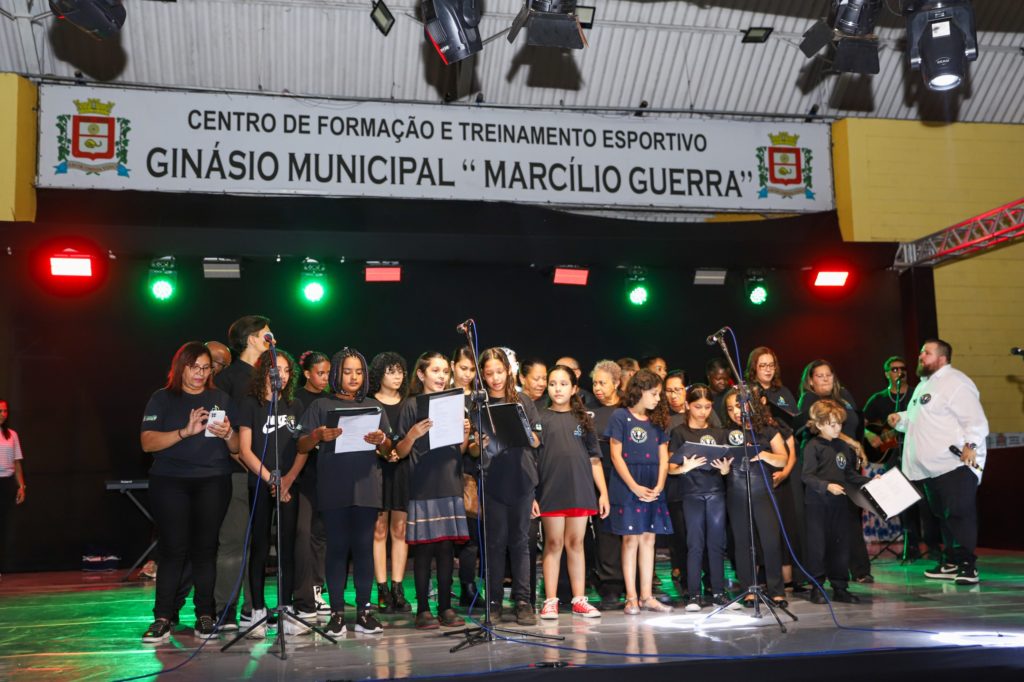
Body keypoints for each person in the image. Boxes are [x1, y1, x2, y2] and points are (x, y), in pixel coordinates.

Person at [140, 342, 239, 643]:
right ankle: (162, 617)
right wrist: (185, 431)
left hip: (213, 481)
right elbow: (147, 442)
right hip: (170, 481)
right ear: (181, 367)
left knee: (206, 550)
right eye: (194, 367)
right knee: (172, 549)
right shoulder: (162, 398)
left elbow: (236, 447)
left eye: (206, 368)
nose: (200, 373)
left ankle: (205, 614)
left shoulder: (220, 398)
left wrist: (229, 434)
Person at [297, 348, 392, 635]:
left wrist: (382, 440)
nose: (354, 377)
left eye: (359, 372)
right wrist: (317, 435)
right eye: (347, 371)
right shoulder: (321, 405)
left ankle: (363, 612)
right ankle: (337, 613)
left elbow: (388, 449)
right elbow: (301, 445)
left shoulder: (374, 406)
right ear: (336, 373)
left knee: (363, 549)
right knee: (337, 548)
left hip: (366, 487)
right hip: (334, 486)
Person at [888, 339, 989, 585]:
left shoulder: (955, 382)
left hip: (954, 463)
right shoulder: (926, 385)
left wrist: (971, 445)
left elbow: (975, 419)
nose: (921, 356)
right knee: (943, 516)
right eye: (921, 352)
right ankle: (952, 561)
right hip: (930, 469)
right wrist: (900, 419)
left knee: (958, 514)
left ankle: (967, 565)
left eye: (927, 352)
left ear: (942, 358)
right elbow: (922, 420)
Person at [395, 352, 472, 629]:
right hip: (423, 483)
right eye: (435, 371)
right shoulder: (411, 405)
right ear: (421, 374)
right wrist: (413, 435)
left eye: (444, 371)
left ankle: (445, 607)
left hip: (449, 481)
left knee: (445, 548)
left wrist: (465, 432)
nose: (441, 376)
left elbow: (459, 450)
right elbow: (399, 450)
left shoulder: (454, 403)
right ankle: (423, 609)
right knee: (424, 550)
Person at [235, 348, 308, 638]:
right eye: (277, 369)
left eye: (287, 370)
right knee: (260, 545)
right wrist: (270, 480)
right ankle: (257, 610)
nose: (282, 375)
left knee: (287, 546)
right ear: (264, 371)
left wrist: (287, 481)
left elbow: (303, 447)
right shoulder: (250, 403)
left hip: (288, 484)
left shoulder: (295, 404)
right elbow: (244, 450)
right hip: (261, 483)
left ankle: (286, 608)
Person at [473, 348, 542, 626]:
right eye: (489, 373)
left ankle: (523, 600)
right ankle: (494, 602)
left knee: (521, 542)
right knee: (495, 543)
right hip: (493, 480)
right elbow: (471, 448)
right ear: (482, 375)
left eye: (499, 372)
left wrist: (524, 432)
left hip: (522, 478)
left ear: (508, 371)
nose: (495, 378)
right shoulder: (478, 404)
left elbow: (537, 440)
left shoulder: (523, 400)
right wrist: (478, 444)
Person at [214, 315, 274, 630]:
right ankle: (225, 609)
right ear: (251, 338)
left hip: (264, 472)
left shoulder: (270, 376)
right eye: (267, 334)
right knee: (234, 541)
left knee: (260, 544)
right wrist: (245, 461)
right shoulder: (227, 379)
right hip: (238, 472)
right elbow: (220, 429)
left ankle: (256, 608)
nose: (272, 339)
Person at [537, 365, 609, 619]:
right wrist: (533, 495)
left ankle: (579, 600)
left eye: (563, 384)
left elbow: (594, 459)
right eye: (553, 383)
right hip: (550, 490)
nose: (557, 389)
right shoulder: (540, 419)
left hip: (580, 489)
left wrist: (603, 493)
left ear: (574, 388)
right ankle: (550, 601)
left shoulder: (584, 419)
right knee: (553, 543)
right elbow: (532, 459)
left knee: (576, 543)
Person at [797, 360, 873, 585]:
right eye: (819, 375)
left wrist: (859, 449)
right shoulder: (809, 399)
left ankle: (855, 572)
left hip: (846, 461)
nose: (825, 379)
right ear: (811, 380)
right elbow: (824, 428)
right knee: (825, 530)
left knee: (850, 519)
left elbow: (855, 425)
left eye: (828, 374)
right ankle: (820, 579)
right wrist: (852, 443)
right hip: (823, 468)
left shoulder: (845, 396)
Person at [606, 369, 673, 615]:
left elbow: (664, 457)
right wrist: (634, 486)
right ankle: (631, 597)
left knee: (648, 539)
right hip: (628, 484)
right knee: (630, 539)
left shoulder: (658, 420)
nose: (657, 398)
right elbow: (616, 455)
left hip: (652, 485)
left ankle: (647, 596)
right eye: (654, 393)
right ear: (640, 391)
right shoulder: (620, 416)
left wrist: (660, 485)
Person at [668, 384, 733, 611]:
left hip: (716, 493)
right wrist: (684, 468)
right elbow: (670, 468)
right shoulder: (680, 432)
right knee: (694, 543)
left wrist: (725, 471)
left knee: (717, 544)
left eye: (707, 407)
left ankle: (718, 592)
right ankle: (694, 594)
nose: (703, 412)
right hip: (691, 494)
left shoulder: (719, 433)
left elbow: (728, 464)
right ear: (687, 405)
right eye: (698, 406)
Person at [722, 389, 789, 607]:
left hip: (763, 491)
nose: (735, 412)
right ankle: (749, 590)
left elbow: (783, 460)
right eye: (730, 409)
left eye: (738, 406)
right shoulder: (725, 433)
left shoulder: (768, 430)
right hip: (736, 491)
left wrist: (763, 454)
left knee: (770, 542)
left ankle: (776, 590)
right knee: (743, 543)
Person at [744, 346, 802, 591]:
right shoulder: (747, 392)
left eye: (771, 365)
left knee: (788, 521)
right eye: (762, 366)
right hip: (759, 466)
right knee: (761, 525)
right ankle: (762, 577)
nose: (768, 370)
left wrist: (786, 471)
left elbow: (791, 431)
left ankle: (789, 577)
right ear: (754, 368)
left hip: (785, 464)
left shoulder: (783, 392)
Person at [803, 399, 869, 604]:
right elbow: (807, 476)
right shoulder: (812, 446)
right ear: (819, 424)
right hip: (817, 505)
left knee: (840, 546)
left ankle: (840, 587)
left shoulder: (842, 446)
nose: (837, 428)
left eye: (839, 423)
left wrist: (869, 481)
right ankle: (817, 587)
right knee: (818, 546)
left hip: (839, 504)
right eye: (832, 424)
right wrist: (826, 486)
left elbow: (849, 474)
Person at [368, 351, 412, 613]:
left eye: (400, 371)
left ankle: (398, 587)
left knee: (400, 530)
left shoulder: (409, 403)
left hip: (403, 468)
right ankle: (382, 588)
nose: (397, 376)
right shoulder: (369, 402)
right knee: (379, 530)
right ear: (379, 374)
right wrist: (382, 451)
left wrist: (400, 452)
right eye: (391, 371)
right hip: (376, 470)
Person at [292, 351, 331, 618]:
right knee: (302, 534)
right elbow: (296, 440)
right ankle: (302, 590)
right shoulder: (296, 401)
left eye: (328, 373)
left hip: (326, 474)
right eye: (320, 373)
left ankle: (317, 588)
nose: (325, 378)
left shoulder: (330, 400)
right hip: (301, 476)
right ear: (307, 374)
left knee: (321, 534)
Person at [589, 360, 627, 610]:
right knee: (605, 533)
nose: (597, 388)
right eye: (594, 383)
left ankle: (633, 583)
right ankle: (609, 585)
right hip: (599, 476)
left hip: (626, 477)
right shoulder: (589, 413)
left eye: (602, 383)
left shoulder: (627, 410)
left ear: (617, 383)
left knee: (629, 532)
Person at [450, 346, 482, 608]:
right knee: (446, 536)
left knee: (471, 535)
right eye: (463, 368)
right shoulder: (444, 395)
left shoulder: (479, 399)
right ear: (453, 366)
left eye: (472, 369)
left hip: (472, 471)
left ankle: (469, 587)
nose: (467, 374)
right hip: (444, 470)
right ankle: (445, 588)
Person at [662, 370, 689, 596]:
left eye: (677, 390)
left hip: (700, 483)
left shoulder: (700, 412)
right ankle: (679, 570)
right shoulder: (662, 417)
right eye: (668, 391)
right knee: (678, 532)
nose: (673, 395)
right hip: (674, 482)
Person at [0, 399, 26, 576]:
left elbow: (17, 464)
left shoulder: (12, 435)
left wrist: (21, 486)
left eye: (5, 411)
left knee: (3, 527)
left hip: (6, 484)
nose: (3, 414)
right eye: (0, 411)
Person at [705, 357, 732, 427]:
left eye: (726, 379)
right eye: (718, 379)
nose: (723, 382)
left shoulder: (731, 394)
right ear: (709, 377)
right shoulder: (703, 396)